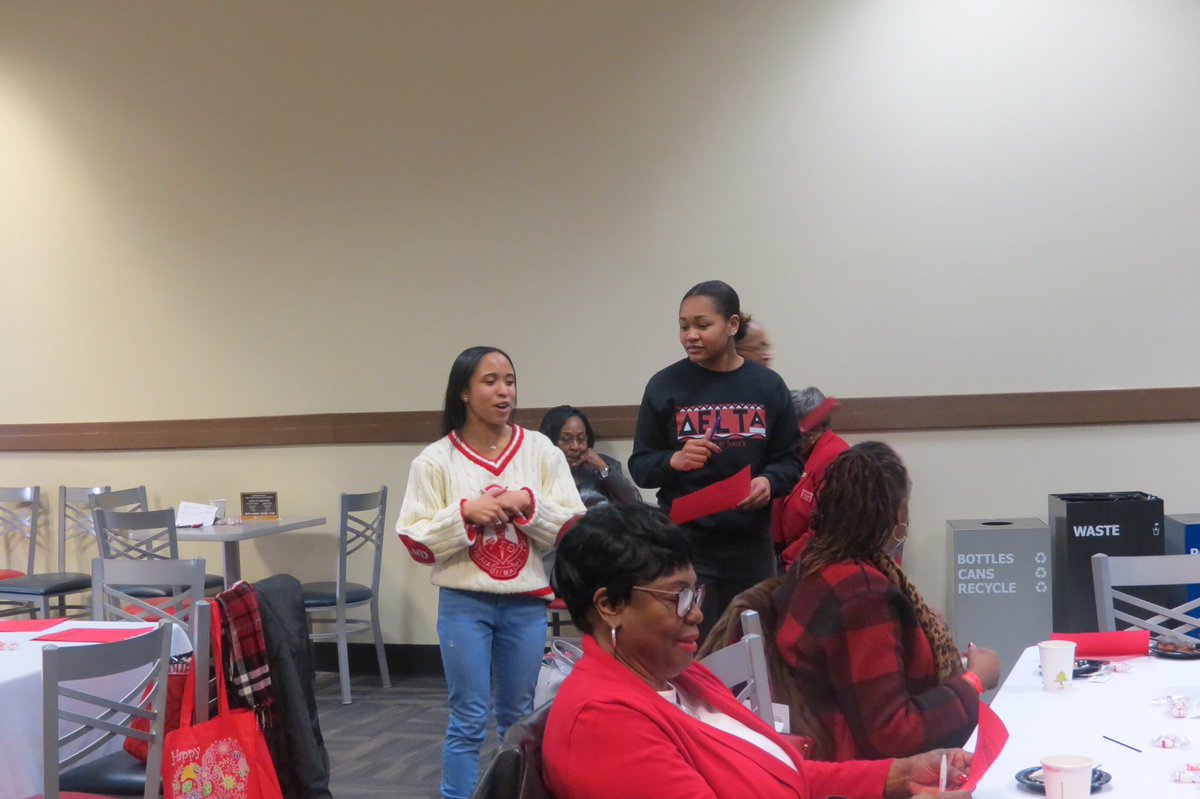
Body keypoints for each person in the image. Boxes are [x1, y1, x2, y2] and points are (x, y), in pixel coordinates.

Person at [543, 502, 974, 799]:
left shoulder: (681, 676)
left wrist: (900, 774)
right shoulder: (602, 720)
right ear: (609, 605)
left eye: (696, 594)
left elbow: (782, 771)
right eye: (677, 598)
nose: (696, 614)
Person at [395, 346, 585, 799]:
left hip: (526, 604)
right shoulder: (434, 460)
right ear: (463, 391)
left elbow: (572, 526)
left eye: (510, 380)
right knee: (467, 717)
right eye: (490, 381)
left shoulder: (541, 450)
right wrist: (465, 513)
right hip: (464, 604)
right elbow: (414, 540)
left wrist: (528, 507)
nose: (504, 391)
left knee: (519, 715)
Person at [773, 441, 1001, 761]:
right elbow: (893, 734)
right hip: (862, 770)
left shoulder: (814, 562)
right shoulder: (862, 598)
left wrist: (918, 629)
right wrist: (975, 680)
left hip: (821, 746)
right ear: (896, 513)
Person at [630, 280, 801, 637]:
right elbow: (640, 466)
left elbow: (789, 461)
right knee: (694, 647)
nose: (690, 335)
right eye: (683, 326)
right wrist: (674, 460)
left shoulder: (767, 386)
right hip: (687, 545)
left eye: (702, 325)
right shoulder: (665, 386)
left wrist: (769, 482)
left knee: (753, 646)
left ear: (732, 325)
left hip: (751, 546)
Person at [773, 386, 850, 566]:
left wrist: (782, 560)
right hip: (782, 556)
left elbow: (826, 528)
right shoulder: (796, 453)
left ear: (815, 431)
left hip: (814, 561)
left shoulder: (836, 457)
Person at [538, 404, 641, 508]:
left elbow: (636, 504)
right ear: (549, 439)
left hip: (600, 523)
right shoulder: (536, 469)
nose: (575, 446)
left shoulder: (605, 464)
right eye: (566, 439)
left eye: (581, 438)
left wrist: (603, 469)